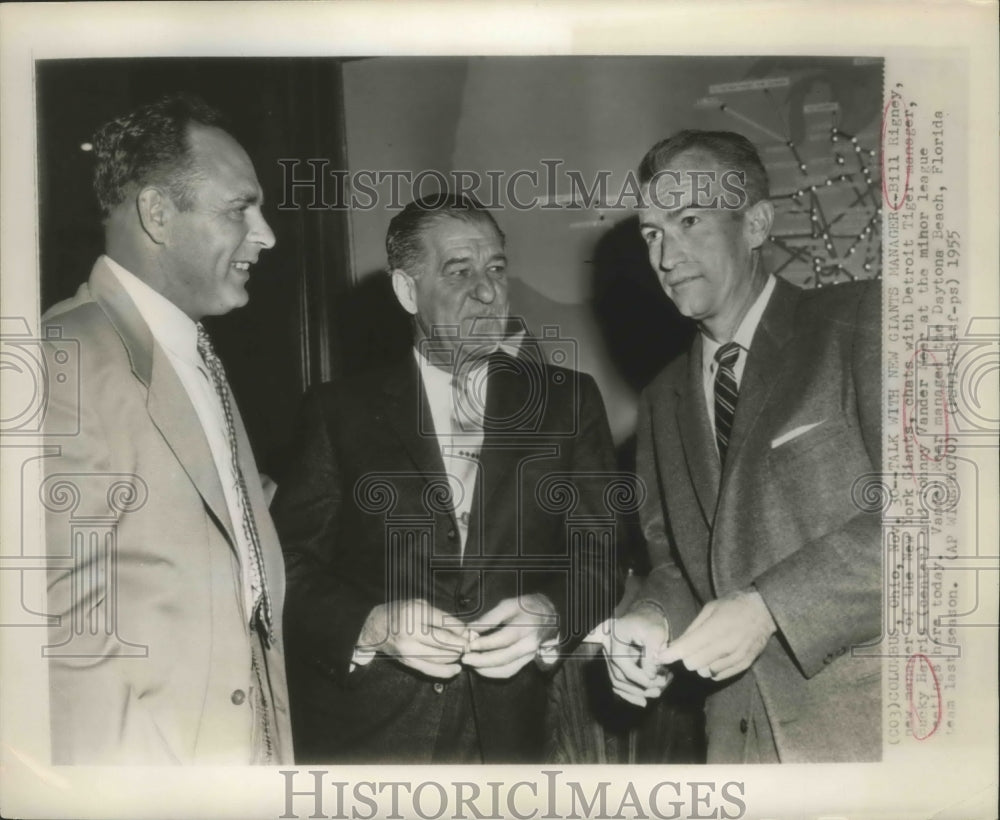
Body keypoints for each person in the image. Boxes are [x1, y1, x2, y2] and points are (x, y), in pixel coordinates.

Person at [271, 193, 619, 763]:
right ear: (407, 290)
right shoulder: (339, 413)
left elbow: (601, 557)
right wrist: (372, 625)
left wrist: (552, 612)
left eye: (497, 269)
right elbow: (284, 566)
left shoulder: (567, 402)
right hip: (372, 741)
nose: (487, 291)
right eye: (460, 271)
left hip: (512, 742)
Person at [604, 130, 881, 763]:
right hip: (736, 746)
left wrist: (769, 608)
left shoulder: (863, 321)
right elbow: (678, 562)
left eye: (689, 220)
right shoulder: (661, 397)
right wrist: (650, 618)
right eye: (651, 233)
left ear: (755, 223)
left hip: (868, 735)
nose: (666, 255)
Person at [41, 94, 292, 764]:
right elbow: (58, 640)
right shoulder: (59, 358)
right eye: (241, 208)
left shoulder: (196, 353)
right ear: (157, 213)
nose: (266, 234)